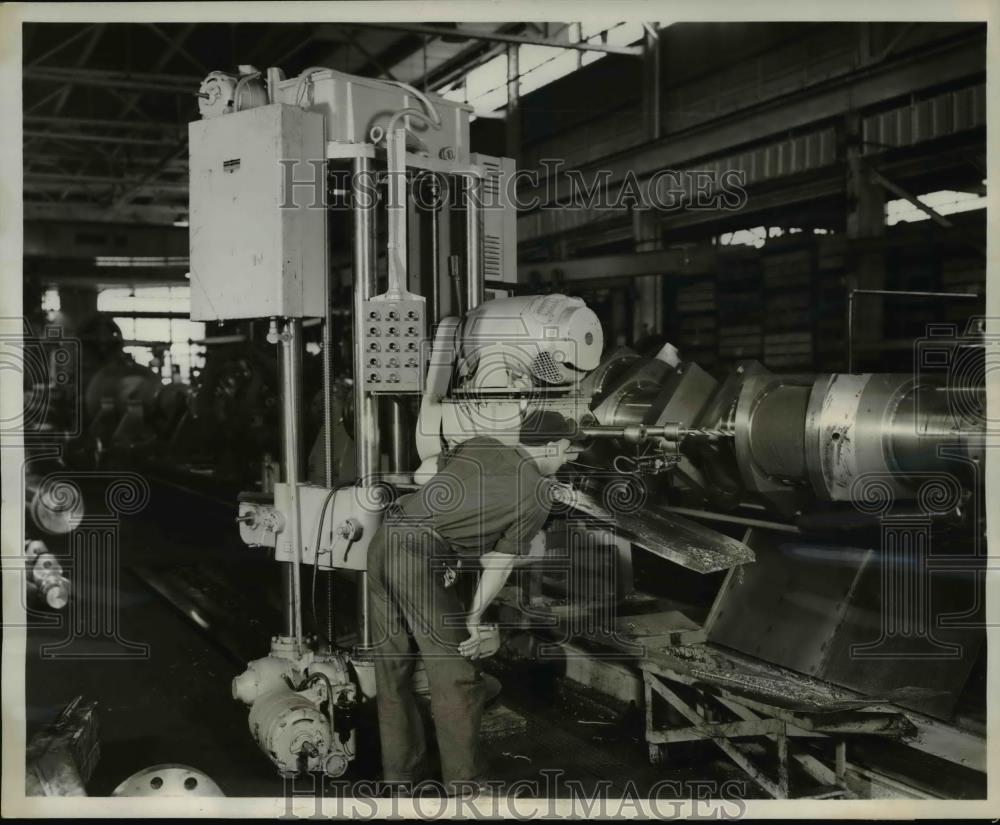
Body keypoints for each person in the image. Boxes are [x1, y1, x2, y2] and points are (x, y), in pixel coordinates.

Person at [367, 410, 579, 795]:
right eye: (565, 450)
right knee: (456, 673)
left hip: (384, 539)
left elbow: (423, 475)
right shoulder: (538, 492)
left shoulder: (482, 445)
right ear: (548, 446)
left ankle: (400, 776)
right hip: (417, 556)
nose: (566, 458)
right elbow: (498, 564)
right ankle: (467, 786)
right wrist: (474, 617)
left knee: (392, 668)